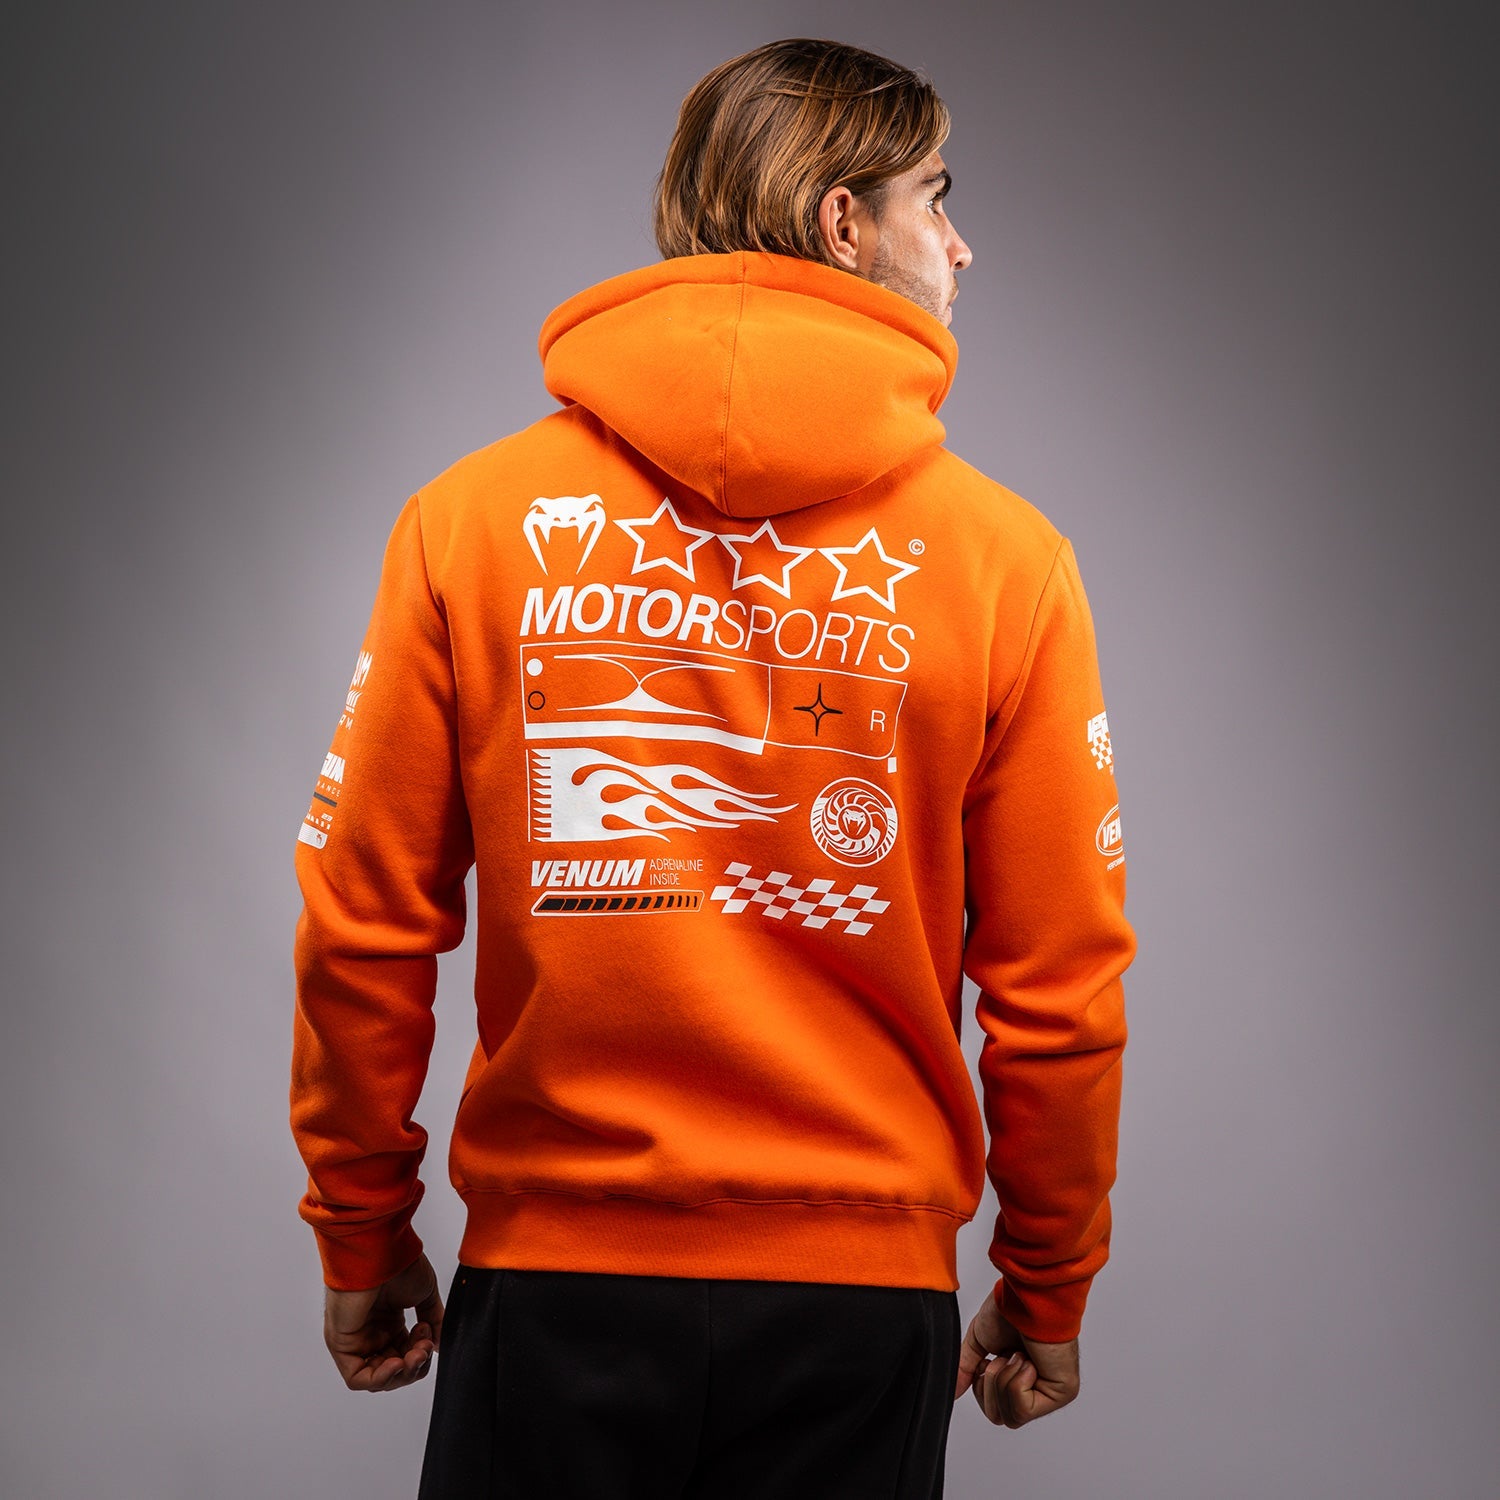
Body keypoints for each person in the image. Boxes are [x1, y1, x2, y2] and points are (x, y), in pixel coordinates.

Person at [289, 36, 1135, 1498]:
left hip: (553, 1284)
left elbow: (363, 921)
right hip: (857, 1301)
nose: (962, 245)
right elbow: (1060, 981)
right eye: (938, 197)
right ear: (844, 222)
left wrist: (362, 1231)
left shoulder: (470, 521)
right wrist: (1047, 1281)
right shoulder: (1008, 562)